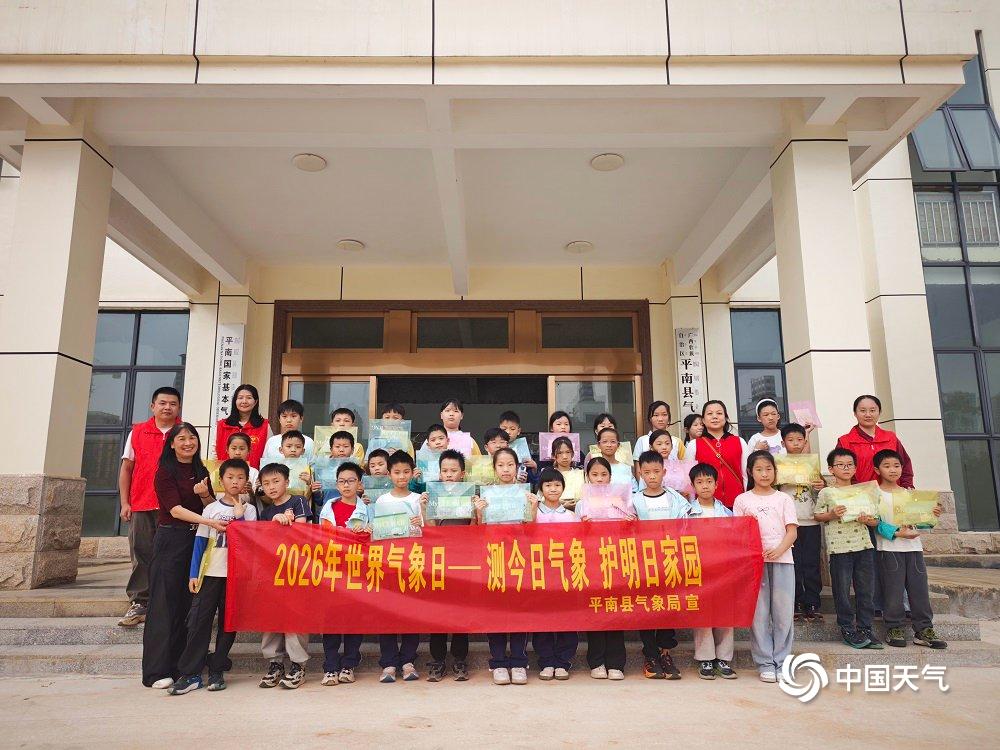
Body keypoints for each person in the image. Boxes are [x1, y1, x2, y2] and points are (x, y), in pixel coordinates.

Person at [142, 423, 228, 688]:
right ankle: (156, 671)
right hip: (171, 540)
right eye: (181, 438)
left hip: (197, 541)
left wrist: (205, 496)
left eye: (192, 438)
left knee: (189, 605)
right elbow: (175, 510)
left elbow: (210, 506)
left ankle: (183, 665)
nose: (188, 443)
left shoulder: (201, 471)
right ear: (172, 444)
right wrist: (209, 522)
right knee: (164, 604)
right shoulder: (165, 472)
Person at [167, 458, 257, 695]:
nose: (235, 482)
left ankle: (217, 669)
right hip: (209, 573)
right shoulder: (210, 509)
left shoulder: (250, 510)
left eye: (240, 478)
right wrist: (193, 573)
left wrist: (239, 517)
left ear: (246, 481)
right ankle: (191, 674)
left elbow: (248, 543)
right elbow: (200, 542)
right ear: (221, 480)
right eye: (230, 477)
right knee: (198, 622)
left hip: (235, 577)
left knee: (228, 623)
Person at [349, 451, 424, 683]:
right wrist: (371, 529)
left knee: (412, 613)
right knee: (387, 612)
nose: (402, 476)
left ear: (412, 473)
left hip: (412, 562)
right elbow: (376, 532)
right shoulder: (381, 501)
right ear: (389, 474)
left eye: (406, 472)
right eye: (397, 472)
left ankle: (408, 661)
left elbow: (427, 532)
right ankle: (389, 662)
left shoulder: (419, 499)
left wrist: (421, 522)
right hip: (387, 562)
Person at [118, 386, 182, 627]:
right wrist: (125, 502)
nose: (167, 407)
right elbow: (127, 468)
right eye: (162, 403)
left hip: (174, 506)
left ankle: (170, 602)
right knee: (142, 553)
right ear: (152, 406)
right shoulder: (138, 432)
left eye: (173, 404)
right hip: (142, 503)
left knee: (173, 555)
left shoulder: (183, 432)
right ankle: (140, 602)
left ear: (179, 408)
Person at [733, 451, 798, 683]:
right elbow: (738, 534)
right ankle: (764, 663)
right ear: (750, 472)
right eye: (759, 469)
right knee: (759, 615)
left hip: (783, 561)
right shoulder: (742, 500)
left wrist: (779, 549)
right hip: (754, 564)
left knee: (783, 614)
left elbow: (792, 531)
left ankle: (782, 662)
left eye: (769, 469)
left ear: (775, 471)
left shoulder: (784, 499)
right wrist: (753, 553)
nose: (764, 474)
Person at [872, 449, 947, 650]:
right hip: (888, 548)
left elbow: (919, 522)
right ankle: (894, 628)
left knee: (919, 590)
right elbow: (875, 523)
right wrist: (897, 533)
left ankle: (924, 630)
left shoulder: (909, 494)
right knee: (893, 591)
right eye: (887, 466)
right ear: (877, 470)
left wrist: (932, 514)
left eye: (896, 466)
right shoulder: (875, 495)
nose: (893, 470)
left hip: (914, 548)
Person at [478, 447, 539, 685]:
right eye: (501, 465)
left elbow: (531, 530)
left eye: (510, 465)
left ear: (517, 467)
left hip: (518, 557)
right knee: (495, 610)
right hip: (494, 557)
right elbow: (479, 532)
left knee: (519, 609)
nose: (506, 469)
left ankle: (519, 661)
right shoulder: (487, 495)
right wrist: (480, 513)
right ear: (494, 468)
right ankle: (498, 662)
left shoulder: (525, 493)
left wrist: (533, 508)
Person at [814, 448, 883, 650]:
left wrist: (867, 520)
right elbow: (817, 515)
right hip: (839, 548)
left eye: (850, 465)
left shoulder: (864, 491)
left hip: (864, 545)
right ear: (831, 469)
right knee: (842, 590)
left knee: (866, 589)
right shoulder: (827, 492)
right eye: (840, 465)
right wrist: (832, 514)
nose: (846, 468)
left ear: (855, 468)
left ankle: (865, 628)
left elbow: (875, 520)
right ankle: (847, 628)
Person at [576, 456, 634, 680]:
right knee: (596, 610)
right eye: (594, 475)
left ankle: (616, 662)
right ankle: (597, 661)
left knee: (615, 610)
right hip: (592, 562)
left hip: (616, 560)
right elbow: (573, 537)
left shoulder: (621, 499)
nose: (599, 479)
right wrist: (583, 527)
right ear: (587, 477)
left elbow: (631, 532)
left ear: (610, 477)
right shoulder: (582, 503)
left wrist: (630, 522)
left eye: (604, 474)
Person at [633, 450, 688, 679]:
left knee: (668, 606)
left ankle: (666, 653)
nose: (652, 476)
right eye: (647, 472)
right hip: (643, 561)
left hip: (670, 559)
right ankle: (650, 655)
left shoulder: (676, 499)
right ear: (640, 473)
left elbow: (686, 525)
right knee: (646, 607)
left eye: (656, 471)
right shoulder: (634, 500)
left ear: (664, 472)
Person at [257, 463, 312, 689]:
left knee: (294, 618)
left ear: (287, 482)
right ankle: (275, 664)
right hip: (272, 572)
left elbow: (301, 532)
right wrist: (274, 522)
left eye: (276, 481)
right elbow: (262, 541)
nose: (271, 487)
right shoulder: (265, 512)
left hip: (295, 571)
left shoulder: (298, 501)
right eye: (266, 483)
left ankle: (298, 666)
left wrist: (283, 523)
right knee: (271, 618)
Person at [423, 449, 476, 682]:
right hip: (438, 560)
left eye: (454, 470)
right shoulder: (432, 495)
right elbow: (430, 530)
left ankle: (460, 660)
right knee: (437, 612)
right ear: (439, 473)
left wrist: (476, 512)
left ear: (462, 473)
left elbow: (475, 530)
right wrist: (424, 509)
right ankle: (437, 661)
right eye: (445, 471)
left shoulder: (471, 494)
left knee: (461, 612)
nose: (449, 475)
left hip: (463, 560)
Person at [317, 461, 366, 686]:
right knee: (331, 619)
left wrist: (367, 531)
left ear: (359, 484)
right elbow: (321, 537)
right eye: (342, 481)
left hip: (357, 570)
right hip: (332, 568)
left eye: (351, 481)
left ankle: (349, 664)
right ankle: (330, 666)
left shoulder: (368, 509)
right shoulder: (328, 508)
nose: (346, 485)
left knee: (354, 618)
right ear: (336, 485)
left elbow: (375, 539)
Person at [686, 463, 737, 680]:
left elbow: (735, 541)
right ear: (693, 486)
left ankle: (724, 658)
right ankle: (705, 658)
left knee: (725, 612)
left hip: (723, 569)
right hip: (699, 568)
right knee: (703, 613)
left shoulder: (727, 513)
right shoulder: (686, 513)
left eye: (709, 481)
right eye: (699, 482)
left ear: (716, 484)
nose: (705, 486)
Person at [531, 467, 577, 681]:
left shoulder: (571, 515)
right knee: (543, 618)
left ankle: (563, 661)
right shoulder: (533, 513)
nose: (553, 489)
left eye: (557, 485)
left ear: (563, 488)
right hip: (540, 573)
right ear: (541, 489)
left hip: (564, 573)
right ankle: (546, 660)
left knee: (567, 617)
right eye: (548, 485)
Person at [779, 423, 827, 623]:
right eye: (791, 440)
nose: (796, 443)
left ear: (805, 441)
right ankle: (796, 601)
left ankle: (813, 602)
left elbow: (822, 490)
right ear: (783, 443)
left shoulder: (812, 464)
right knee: (793, 563)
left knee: (811, 563)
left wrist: (822, 484)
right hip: (788, 523)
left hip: (811, 520)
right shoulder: (778, 464)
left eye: (800, 439)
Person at [837, 395, 914, 487]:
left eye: (872, 410)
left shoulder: (891, 438)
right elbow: (840, 471)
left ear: (879, 412)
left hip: (891, 492)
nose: (868, 415)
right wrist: (857, 491)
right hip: (859, 493)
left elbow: (905, 465)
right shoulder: (845, 441)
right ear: (855, 413)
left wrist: (907, 486)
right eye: (863, 411)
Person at [693, 400, 750, 509]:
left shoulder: (740, 442)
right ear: (703, 420)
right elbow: (689, 479)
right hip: (705, 506)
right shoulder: (694, 445)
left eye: (719, 413)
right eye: (710, 414)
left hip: (737, 503)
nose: (715, 417)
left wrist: (747, 501)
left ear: (726, 418)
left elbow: (746, 475)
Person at [213, 384, 271, 468]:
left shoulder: (264, 426)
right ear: (235, 401)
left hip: (254, 474)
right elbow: (214, 454)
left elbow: (268, 455)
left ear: (255, 402)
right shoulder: (222, 425)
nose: (244, 401)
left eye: (249, 398)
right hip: (226, 474)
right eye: (240, 398)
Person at [260, 399, 314, 465]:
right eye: (284, 416)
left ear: (301, 418)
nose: (289, 420)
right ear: (279, 419)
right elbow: (265, 465)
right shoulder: (272, 441)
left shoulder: (309, 442)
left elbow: (312, 466)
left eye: (293, 416)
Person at [216, 433, 259, 505]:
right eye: (234, 448)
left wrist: (250, 491)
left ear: (249, 450)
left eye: (242, 449)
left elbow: (257, 502)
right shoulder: (217, 471)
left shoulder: (254, 472)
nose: (237, 453)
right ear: (227, 449)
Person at [550, 435, 584, 505]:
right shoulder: (548, 475)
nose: (564, 457)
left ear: (572, 454)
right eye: (560, 453)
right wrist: (561, 504)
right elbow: (542, 499)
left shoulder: (581, 474)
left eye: (568, 452)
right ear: (553, 455)